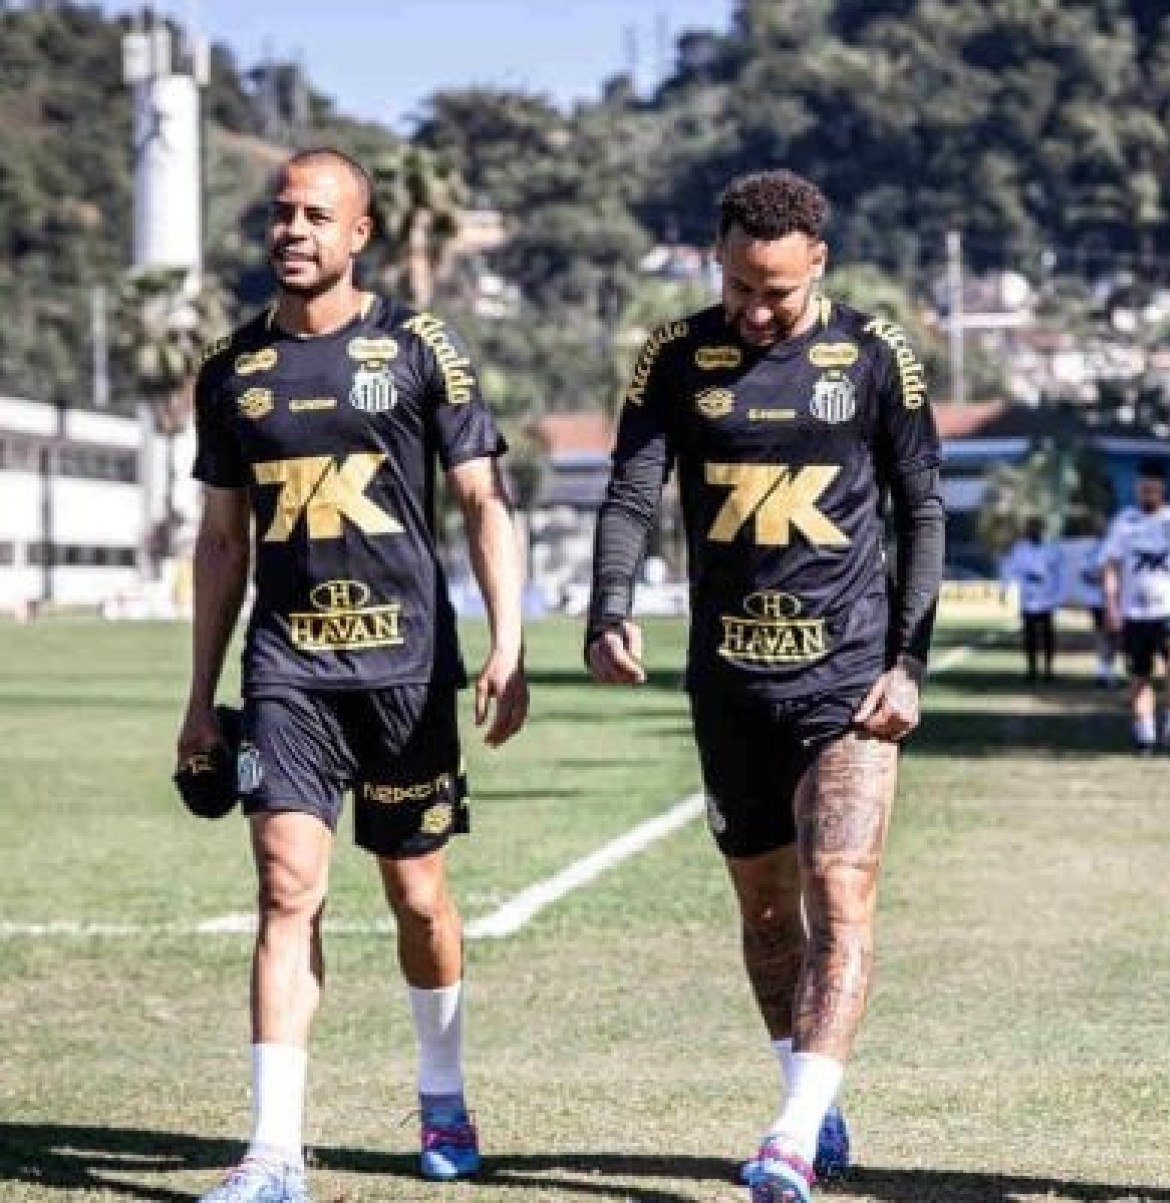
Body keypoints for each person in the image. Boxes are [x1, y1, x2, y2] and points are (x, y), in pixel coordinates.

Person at [176, 148, 529, 1203]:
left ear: (360, 233)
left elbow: (483, 500)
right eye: (281, 213)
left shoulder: (421, 347)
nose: (293, 230)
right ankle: (274, 1151)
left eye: (316, 215)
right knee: (286, 888)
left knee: (418, 897)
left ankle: (443, 1094)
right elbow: (223, 542)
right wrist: (198, 701)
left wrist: (508, 642)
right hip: (287, 673)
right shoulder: (230, 369)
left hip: (406, 674)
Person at [584, 169, 944, 1203]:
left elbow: (922, 507)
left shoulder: (874, 355)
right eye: (737, 284)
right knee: (769, 912)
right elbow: (632, 491)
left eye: (775, 291)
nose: (752, 309)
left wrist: (908, 661)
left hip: (848, 682)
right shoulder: (675, 354)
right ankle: (811, 1098)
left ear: (818, 263)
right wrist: (610, 607)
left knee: (841, 891)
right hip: (729, 683)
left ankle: (786, 1139)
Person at [1101, 460, 1170, 755]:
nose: (1148, 494)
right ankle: (1144, 735)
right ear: (1137, 489)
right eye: (1143, 489)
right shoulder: (1124, 523)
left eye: (1153, 489)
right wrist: (1111, 605)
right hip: (1135, 613)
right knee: (1139, 676)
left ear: (1163, 490)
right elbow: (1110, 566)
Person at [1000, 516, 1065, 681]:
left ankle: (1049, 669)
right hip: (1028, 599)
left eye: (1037, 528)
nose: (1034, 531)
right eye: (1031, 528)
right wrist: (1006, 589)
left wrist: (1058, 595)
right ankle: (1032, 669)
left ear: (1042, 530)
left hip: (1047, 598)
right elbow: (1010, 570)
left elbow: (1060, 573)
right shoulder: (1019, 549)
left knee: (1048, 635)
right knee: (1029, 635)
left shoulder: (1051, 548)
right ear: (1027, 530)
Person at [1059, 530, 1117, 688]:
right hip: (1097, 599)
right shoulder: (1092, 551)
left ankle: (1108, 669)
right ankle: (1102, 670)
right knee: (1101, 633)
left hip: (1114, 599)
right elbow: (1084, 572)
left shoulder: (1115, 547)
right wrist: (1100, 579)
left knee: (1113, 635)